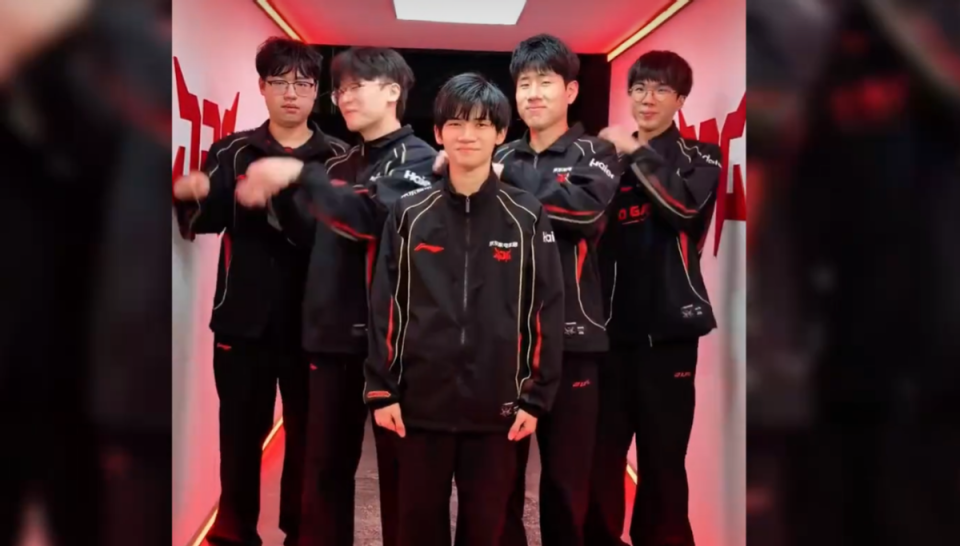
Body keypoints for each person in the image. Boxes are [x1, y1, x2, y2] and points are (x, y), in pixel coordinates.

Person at [235, 47, 437, 546]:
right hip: (329, 341)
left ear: (392, 92)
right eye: (340, 88)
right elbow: (313, 234)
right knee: (321, 475)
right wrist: (279, 194)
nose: (344, 97)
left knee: (404, 481)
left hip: (393, 347)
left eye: (356, 86)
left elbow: (371, 218)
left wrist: (300, 177)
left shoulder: (421, 161)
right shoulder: (340, 162)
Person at [364, 73, 564, 546]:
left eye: (480, 124)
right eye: (455, 123)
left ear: (500, 133)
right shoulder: (409, 212)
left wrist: (536, 397)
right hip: (418, 407)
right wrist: (382, 388)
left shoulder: (527, 214)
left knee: (488, 531)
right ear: (438, 133)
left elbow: (546, 307)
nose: (467, 135)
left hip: (498, 410)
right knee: (416, 530)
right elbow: (386, 303)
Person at [172, 37, 347, 546]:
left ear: (317, 92)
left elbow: (337, 234)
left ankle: (301, 533)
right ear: (262, 87)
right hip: (242, 320)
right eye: (280, 82)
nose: (291, 93)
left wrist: (282, 196)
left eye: (303, 83)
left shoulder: (338, 158)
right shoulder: (232, 150)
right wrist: (193, 197)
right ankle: (233, 534)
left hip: (314, 326)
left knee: (309, 440)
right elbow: (206, 219)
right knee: (238, 437)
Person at [463, 34, 620, 546]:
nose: (533, 93)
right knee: (498, 481)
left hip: (573, 341)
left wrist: (503, 181)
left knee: (567, 482)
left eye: (545, 82)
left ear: (570, 90)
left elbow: (584, 211)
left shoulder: (595, 152)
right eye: (524, 83)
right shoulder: (501, 152)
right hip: (502, 343)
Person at [586, 50, 722, 546]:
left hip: (669, 334)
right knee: (600, 461)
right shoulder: (606, 158)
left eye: (662, 89)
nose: (648, 99)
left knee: (663, 464)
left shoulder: (702, 157)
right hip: (607, 334)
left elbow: (683, 209)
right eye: (639, 88)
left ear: (680, 99)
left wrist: (636, 152)